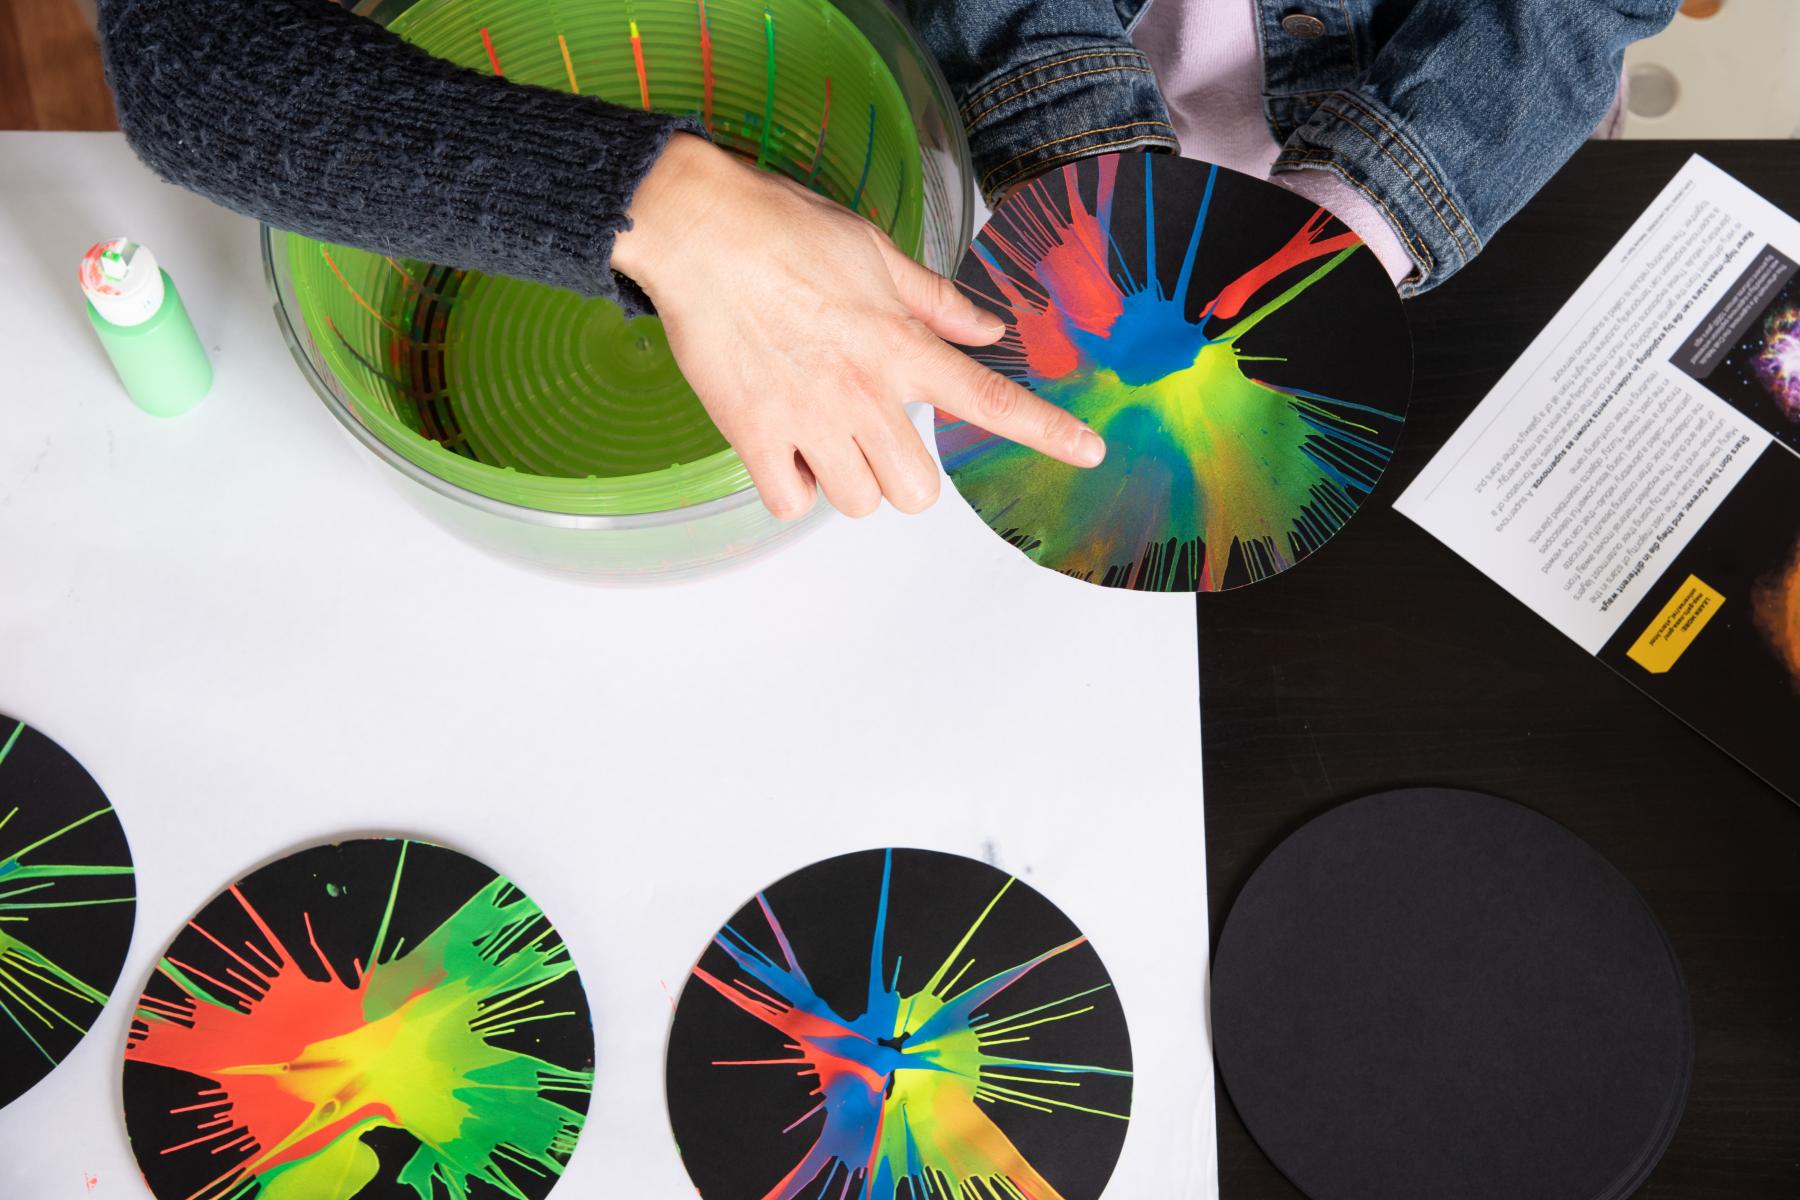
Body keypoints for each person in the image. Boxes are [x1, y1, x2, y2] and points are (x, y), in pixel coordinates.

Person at [99, 0, 1680, 519]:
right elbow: (185, 54)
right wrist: (668, 208)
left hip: (1395, 154)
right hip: (947, 128)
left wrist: (1365, 219)